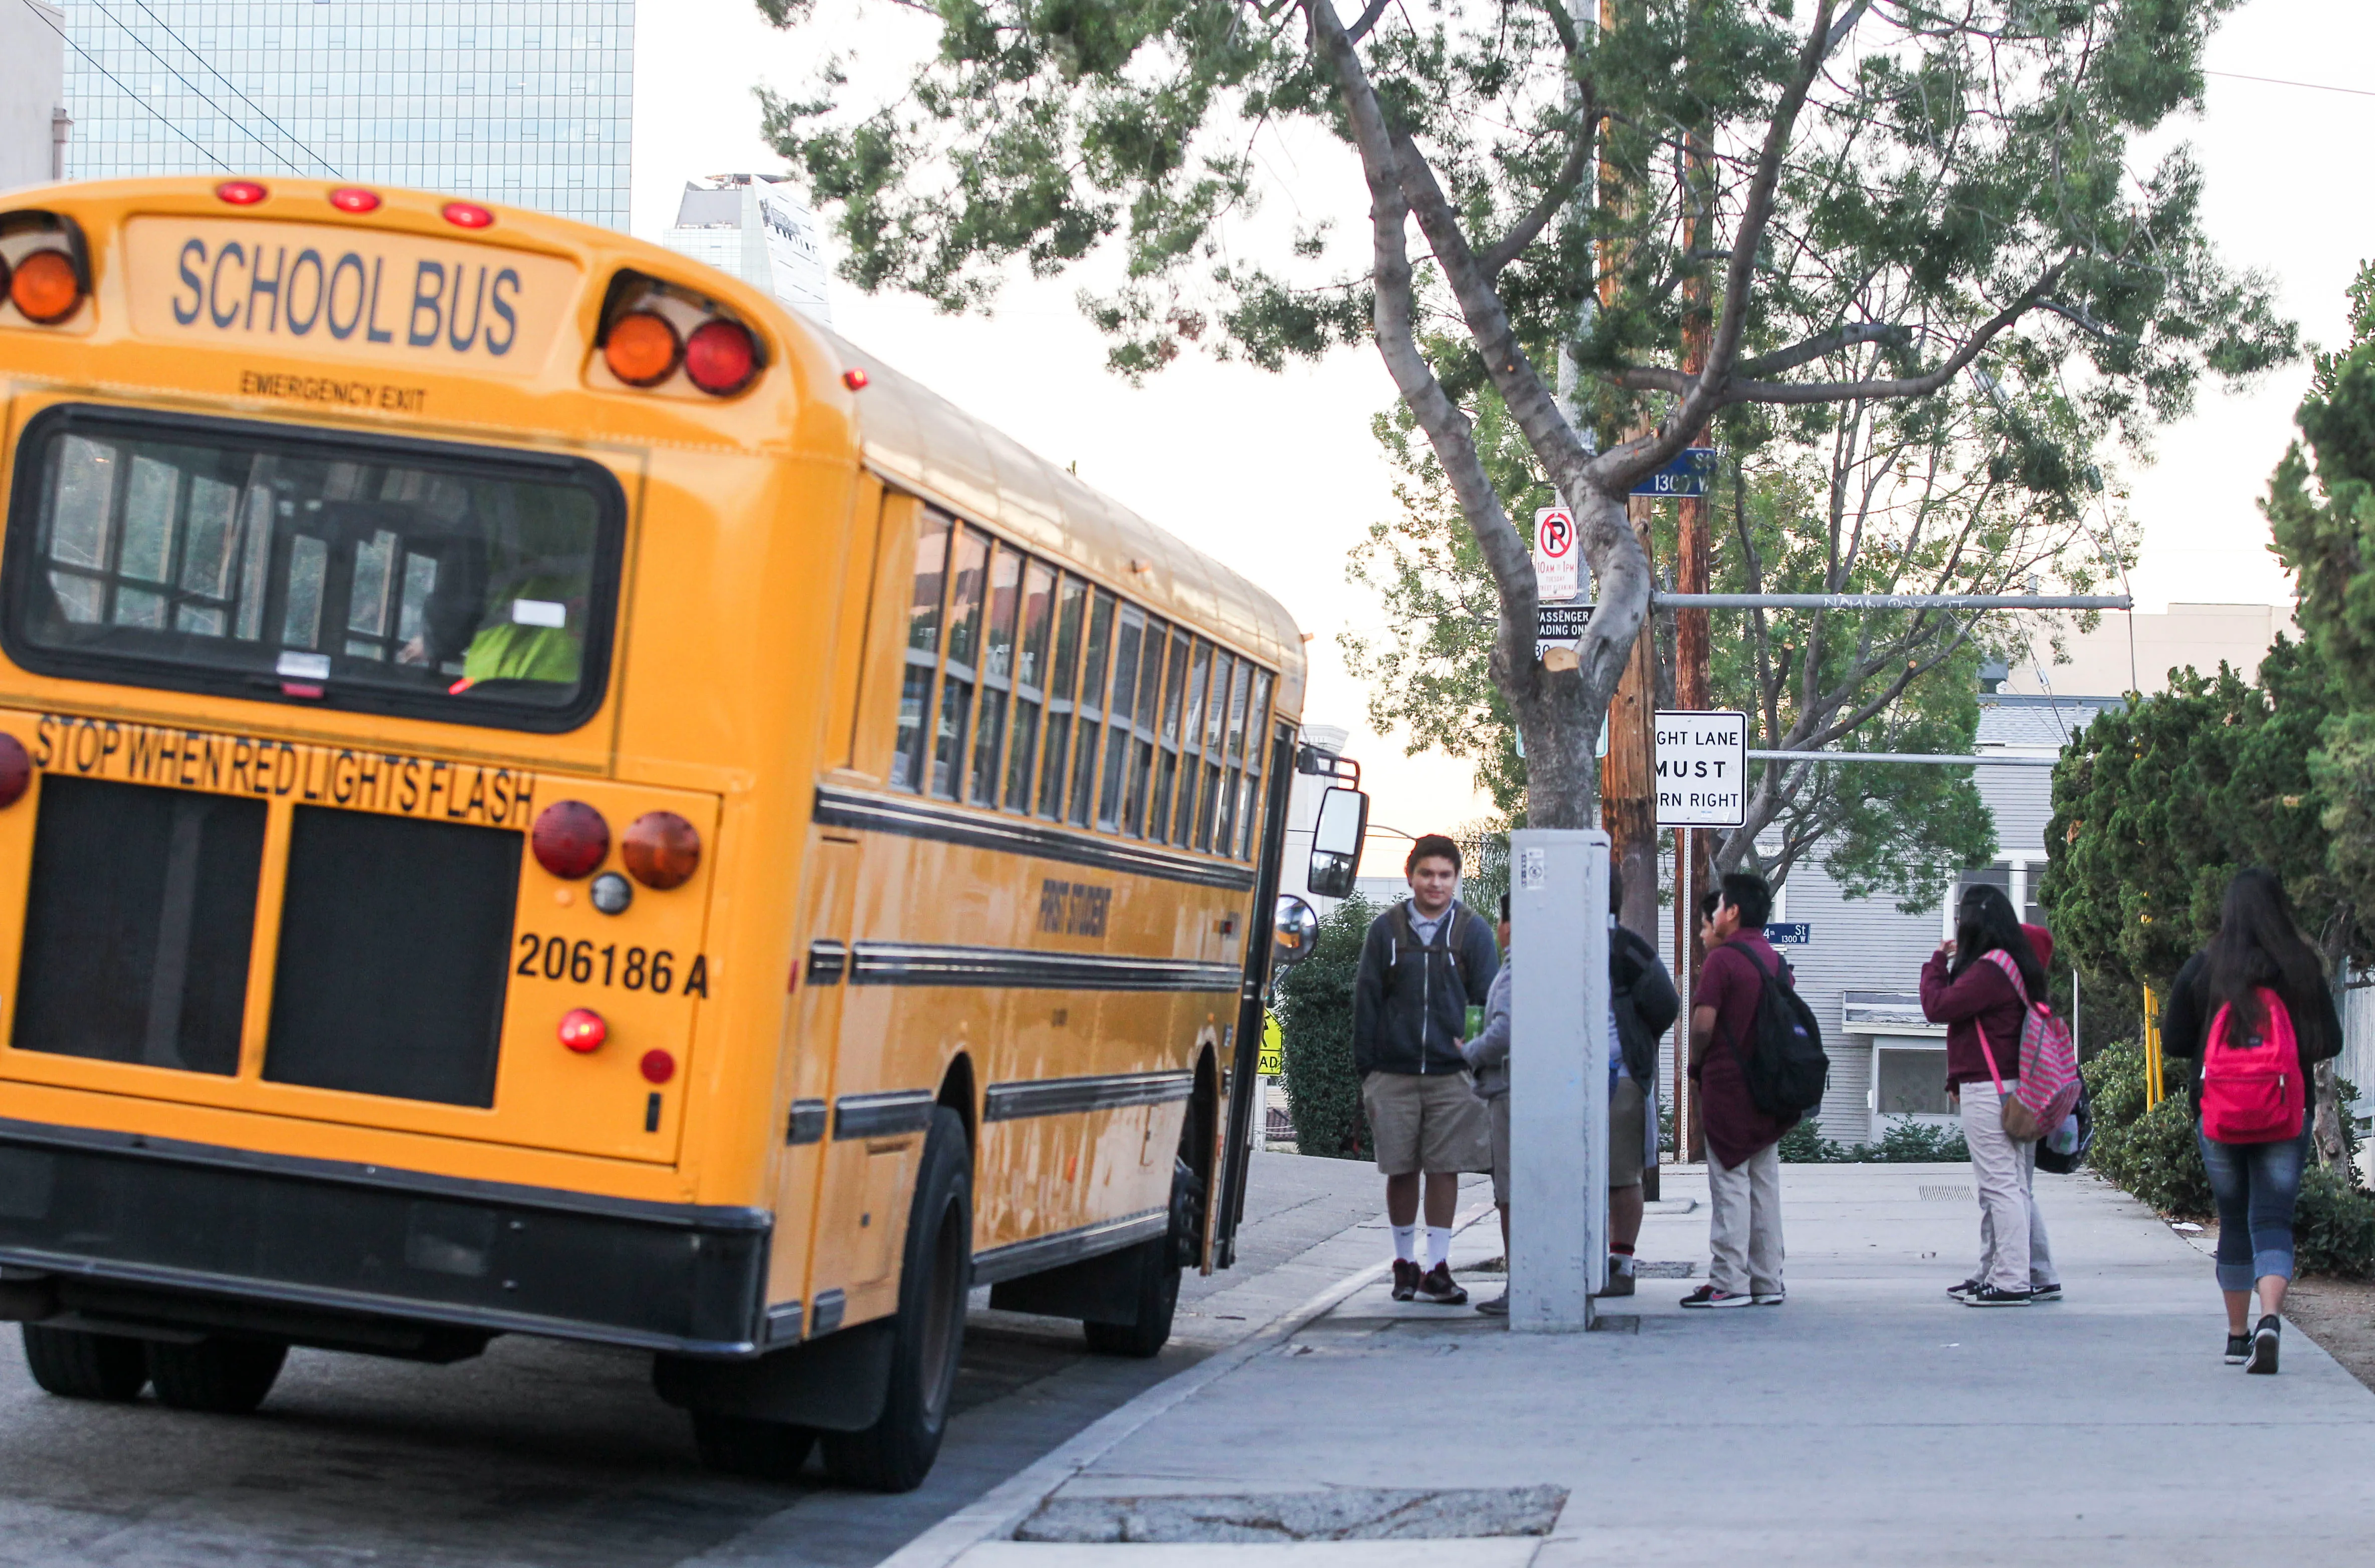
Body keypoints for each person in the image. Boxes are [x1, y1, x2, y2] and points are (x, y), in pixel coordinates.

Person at [1458, 872, 1679, 1315]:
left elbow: (1666, 1006)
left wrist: (1631, 1048)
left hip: (1618, 1076)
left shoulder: (1627, 949)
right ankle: (1573, 1265)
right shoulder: (1553, 946)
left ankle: (1621, 1264)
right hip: (1563, 1080)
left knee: (1620, 1174)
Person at [2160, 867, 2343, 1374]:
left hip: (2217, 1115)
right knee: (2271, 1220)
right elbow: (2330, 1041)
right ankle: (2269, 1318)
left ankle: (2237, 1337)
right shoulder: (2300, 965)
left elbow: (2174, 1040)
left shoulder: (2204, 966)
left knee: (2233, 1220)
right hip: (2285, 1113)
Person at [1352, 833, 1500, 1305]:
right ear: (1410, 875)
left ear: (1456, 879)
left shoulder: (1473, 931)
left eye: (1444, 875)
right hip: (1392, 1073)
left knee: (1445, 1169)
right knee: (1400, 1168)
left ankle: (1437, 1266)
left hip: (1451, 1073)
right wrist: (1368, 1068)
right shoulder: (1386, 931)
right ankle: (1403, 1263)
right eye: (1427, 874)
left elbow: (1487, 997)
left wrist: (1473, 1052)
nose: (1435, 884)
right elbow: (1367, 1000)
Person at [1920, 885, 2060, 1307]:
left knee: (2001, 1187)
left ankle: (2013, 1280)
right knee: (2012, 1185)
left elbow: (1937, 1006)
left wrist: (1937, 962)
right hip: (2013, 1087)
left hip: (1990, 1088)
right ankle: (2009, 1273)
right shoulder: (2016, 963)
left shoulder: (1991, 969)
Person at [1681, 873, 1794, 1308]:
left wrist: (1696, 1064)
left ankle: (1728, 1280)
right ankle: (1768, 1280)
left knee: (1730, 1182)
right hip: (1770, 1091)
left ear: (1733, 912)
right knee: (1764, 1186)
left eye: (1722, 904)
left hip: (1730, 1088)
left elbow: (1705, 1023)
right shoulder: (1775, 961)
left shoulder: (1724, 961)